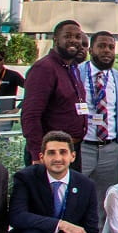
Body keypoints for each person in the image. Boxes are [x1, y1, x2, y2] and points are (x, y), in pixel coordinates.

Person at [20, 19, 90, 162]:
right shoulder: (44, 68)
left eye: (77, 37)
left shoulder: (72, 68)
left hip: (71, 150)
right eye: (68, 36)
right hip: (50, 153)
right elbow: (31, 115)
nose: (74, 40)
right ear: (56, 40)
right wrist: (37, 155)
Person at [75, 30, 118, 189]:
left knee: (106, 197)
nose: (107, 51)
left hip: (110, 149)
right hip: (83, 146)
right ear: (91, 50)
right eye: (102, 46)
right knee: (78, 192)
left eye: (111, 47)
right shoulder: (76, 73)